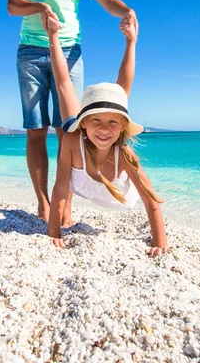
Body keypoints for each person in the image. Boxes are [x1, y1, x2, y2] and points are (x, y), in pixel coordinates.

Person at [7, 0, 137, 223]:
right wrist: (39, 8)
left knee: (70, 130)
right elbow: (13, 4)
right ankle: (43, 201)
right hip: (32, 53)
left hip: (70, 52)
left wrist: (127, 12)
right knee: (36, 130)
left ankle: (64, 201)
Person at [45, 15, 168, 257]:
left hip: (119, 192)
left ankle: (130, 46)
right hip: (80, 137)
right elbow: (60, 189)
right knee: (64, 86)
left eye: (113, 123)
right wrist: (54, 233)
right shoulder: (72, 139)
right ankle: (53, 39)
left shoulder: (124, 155)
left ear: (123, 127)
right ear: (85, 122)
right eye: (96, 121)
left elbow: (151, 201)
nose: (104, 129)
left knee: (118, 96)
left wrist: (160, 242)